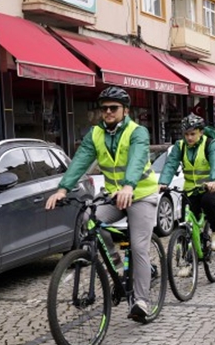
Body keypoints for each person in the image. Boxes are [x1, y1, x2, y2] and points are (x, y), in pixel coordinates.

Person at [45, 86, 158, 322]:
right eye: (104, 108)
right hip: (114, 197)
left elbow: (137, 160)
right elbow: (80, 162)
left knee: (138, 247)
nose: (108, 112)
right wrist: (63, 189)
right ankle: (115, 262)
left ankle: (141, 301)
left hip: (141, 195)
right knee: (89, 220)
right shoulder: (95, 134)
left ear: (125, 110)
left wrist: (129, 185)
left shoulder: (138, 132)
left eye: (113, 108)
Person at [159, 113, 215, 249]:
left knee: (208, 203)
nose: (189, 137)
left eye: (193, 134)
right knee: (185, 222)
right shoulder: (180, 146)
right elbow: (171, 164)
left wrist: (214, 180)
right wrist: (163, 182)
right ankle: (187, 261)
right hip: (190, 189)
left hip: (211, 186)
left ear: (201, 132)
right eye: (186, 134)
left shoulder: (210, 144)